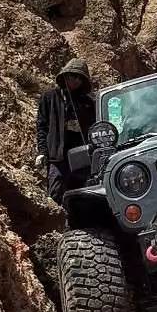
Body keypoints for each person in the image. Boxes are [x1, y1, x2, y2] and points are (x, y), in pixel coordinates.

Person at [36, 57, 97, 205]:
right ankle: (56, 223)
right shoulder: (49, 97)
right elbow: (42, 126)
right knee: (55, 191)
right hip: (57, 154)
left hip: (81, 155)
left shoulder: (88, 102)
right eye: (72, 76)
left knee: (82, 192)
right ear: (65, 76)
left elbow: (94, 128)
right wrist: (42, 151)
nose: (75, 80)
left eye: (79, 78)